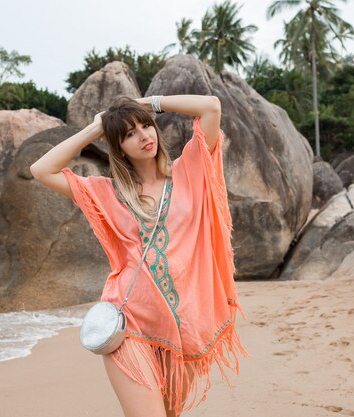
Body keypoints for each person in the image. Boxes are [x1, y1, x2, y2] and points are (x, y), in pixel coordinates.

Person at [30, 94, 248, 417]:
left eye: (146, 126)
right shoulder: (108, 192)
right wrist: (97, 128)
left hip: (182, 328)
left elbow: (212, 106)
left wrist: (151, 103)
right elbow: (41, 169)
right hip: (129, 326)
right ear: (118, 147)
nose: (144, 136)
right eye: (130, 134)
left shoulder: (189, 170)